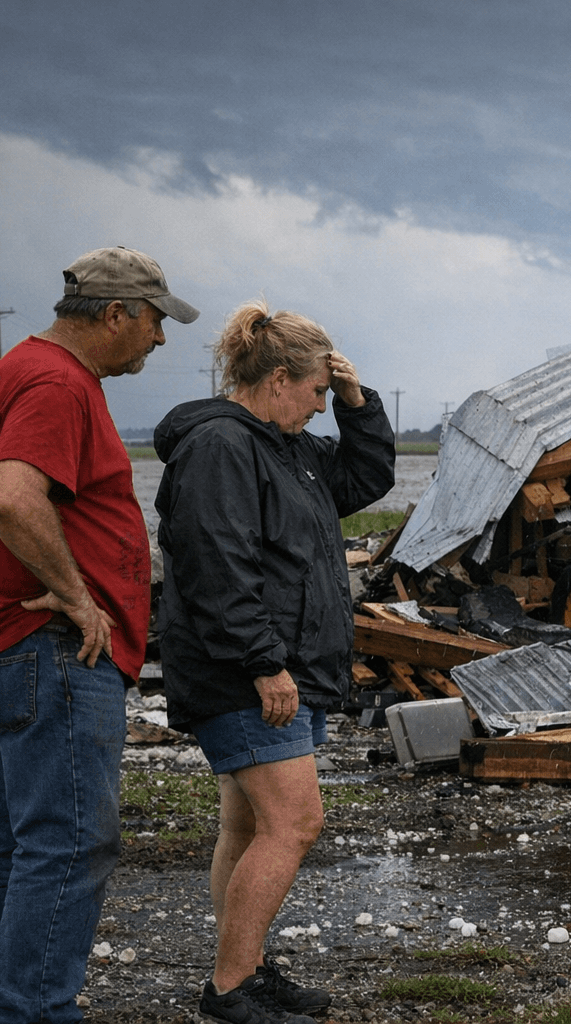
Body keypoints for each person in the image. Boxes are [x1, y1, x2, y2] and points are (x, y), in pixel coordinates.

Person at [0, 247, 198, 1023]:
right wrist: (77, 597)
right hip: (54, 652)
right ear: (117, 314)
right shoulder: (58, 382)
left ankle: (11, 996)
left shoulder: (28, 371)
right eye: (157, 320)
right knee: (69, 842)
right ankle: (32, 1012)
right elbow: (11, 495)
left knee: (26, 837)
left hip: (19, 652)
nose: (161, 340)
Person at [154, 299, 394, 1023]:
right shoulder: (221, 447)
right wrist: (263, 663)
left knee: (251, 826)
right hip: (245, 674)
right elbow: (215, 565)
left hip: (273, 668)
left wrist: (358, 404)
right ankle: (229, 989)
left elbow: (365, 480)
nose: (322, 408)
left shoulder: (289, 449)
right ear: (280, 378)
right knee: (294, 823)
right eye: (319, 392)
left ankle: (246, 970)